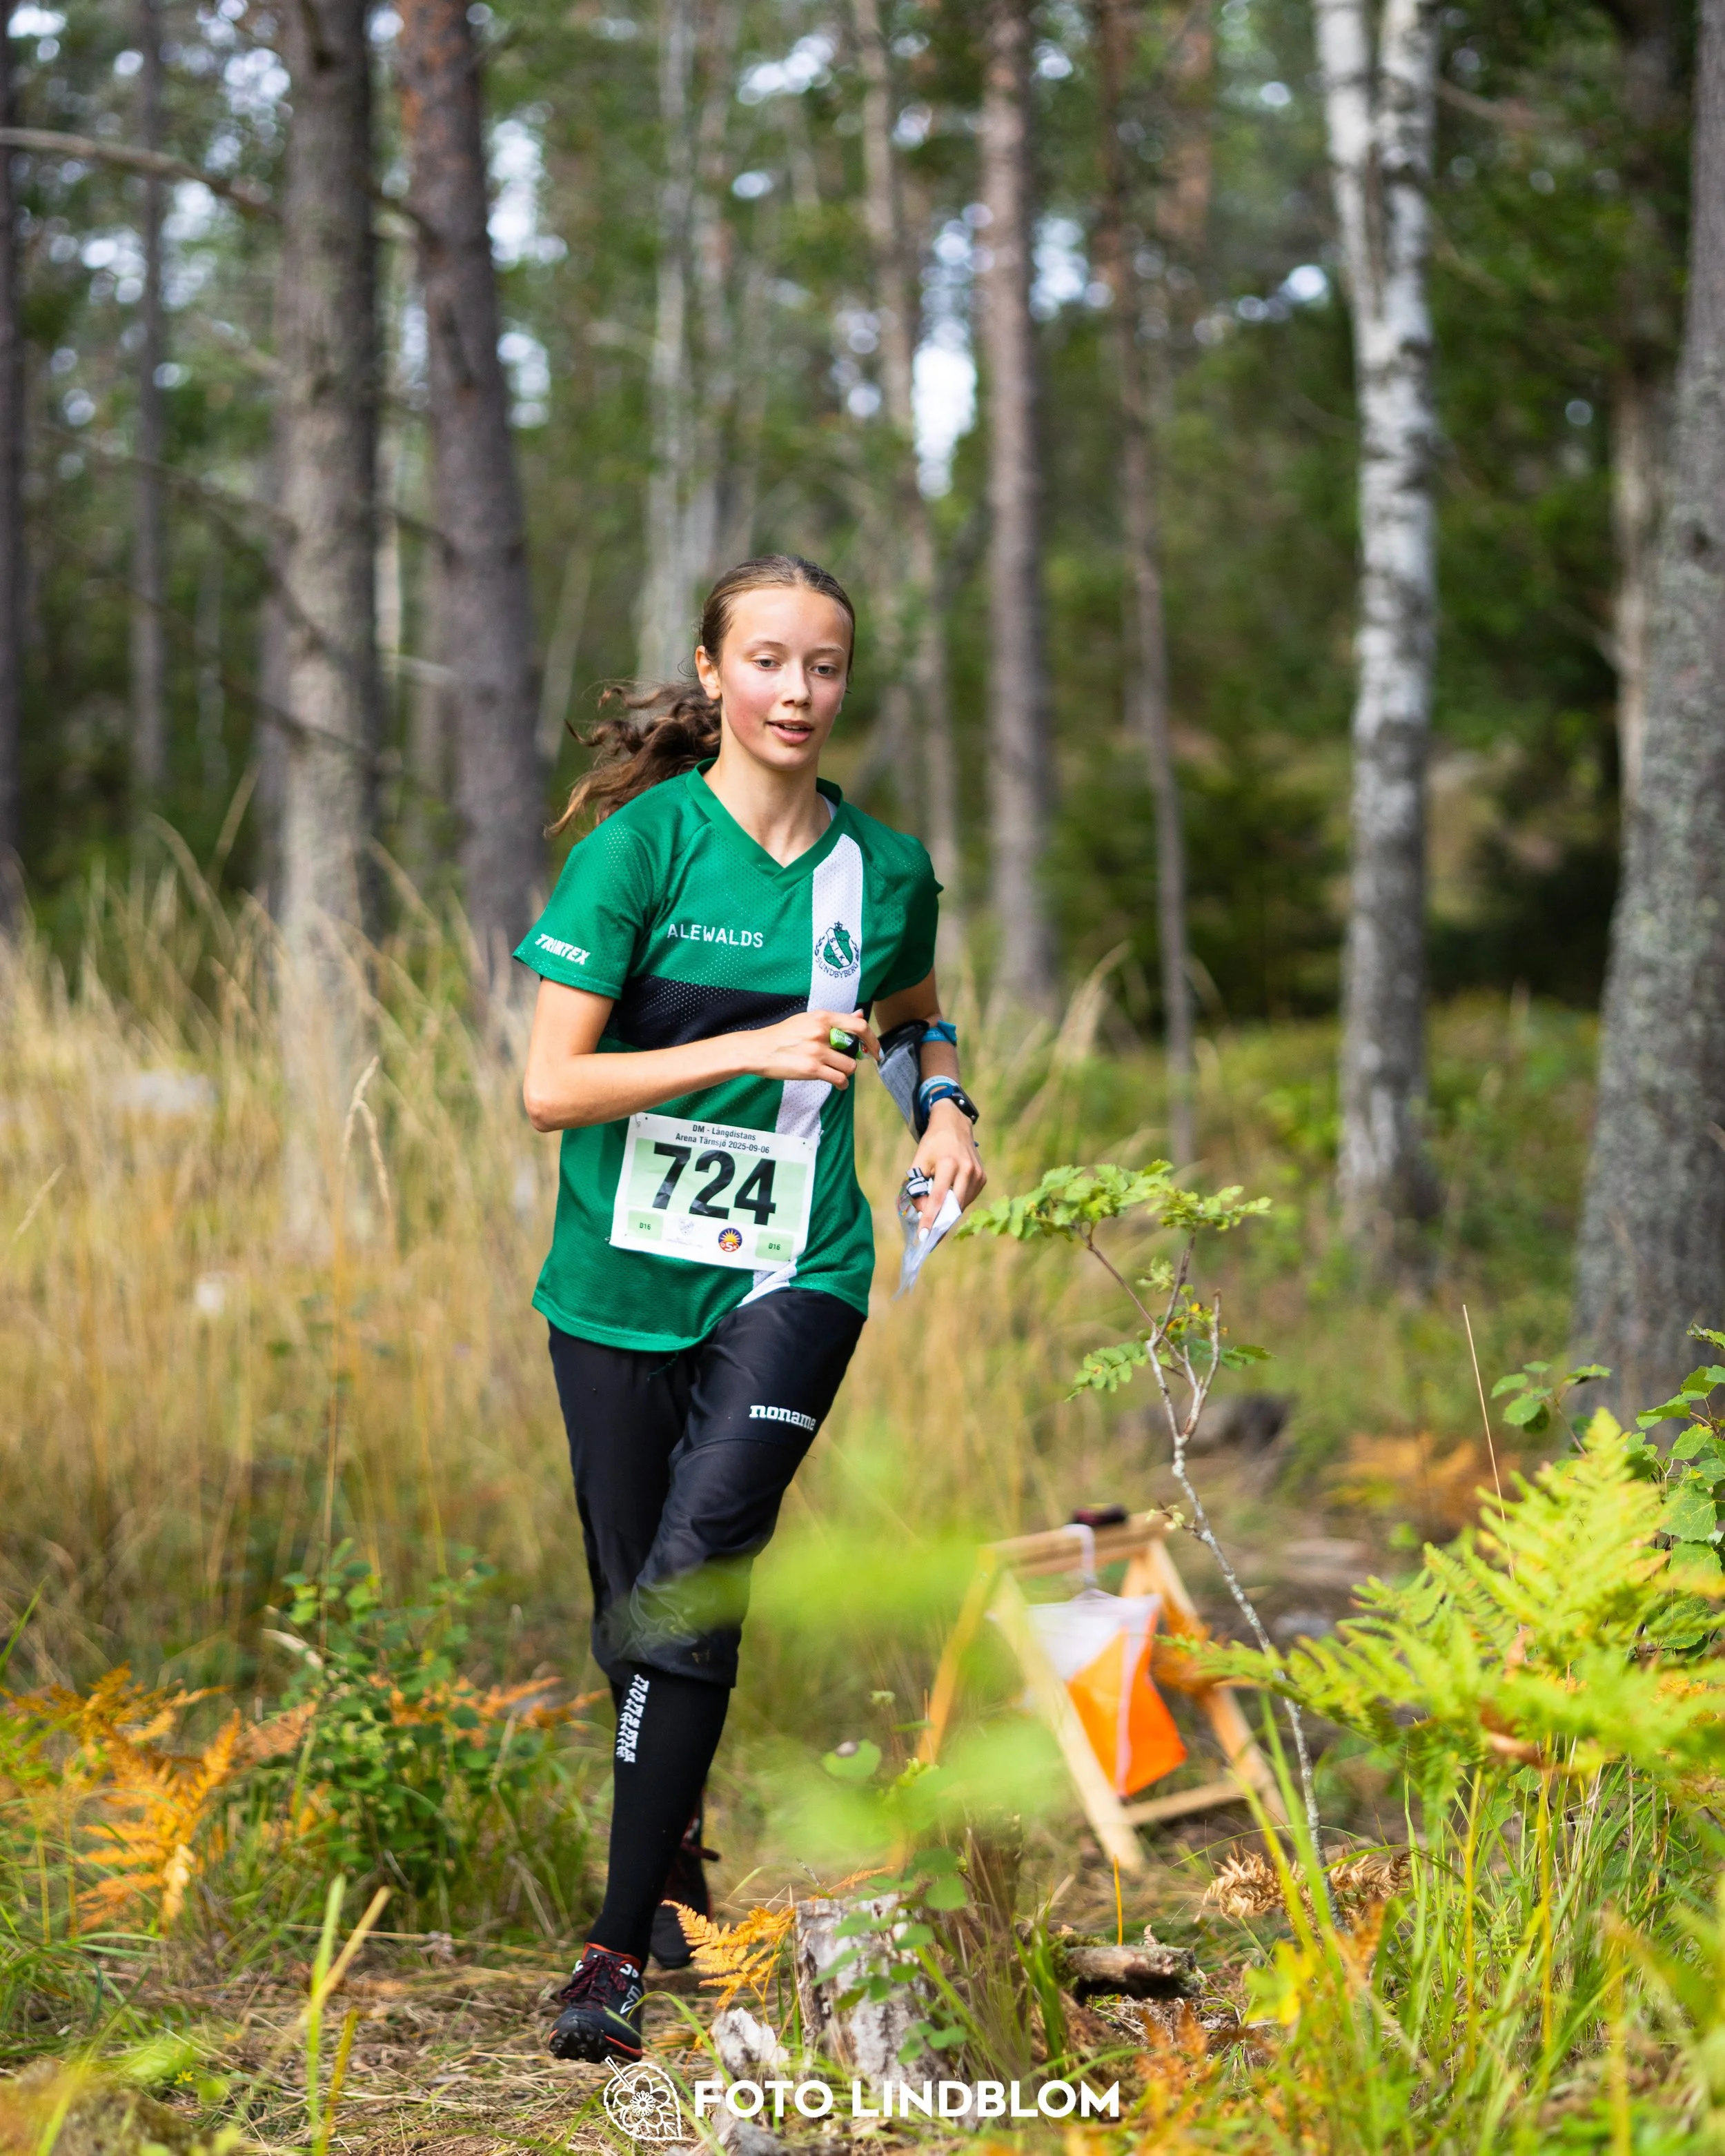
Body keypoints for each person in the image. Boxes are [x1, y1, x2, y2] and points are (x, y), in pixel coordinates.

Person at [517, 553, 986, 2064]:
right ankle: (674, 1865)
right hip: (614, 1284)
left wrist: (946, 1108)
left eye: (826, 666)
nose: (799, 692)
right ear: (712, 674)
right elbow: (550, 1087)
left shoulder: (883, 869)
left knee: (692, 1577)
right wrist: (750, 1048)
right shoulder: (639, 854)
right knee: (628, 1609)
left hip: (798, 1269)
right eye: (770, 662)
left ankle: (607, 1950)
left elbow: (911, 1016)